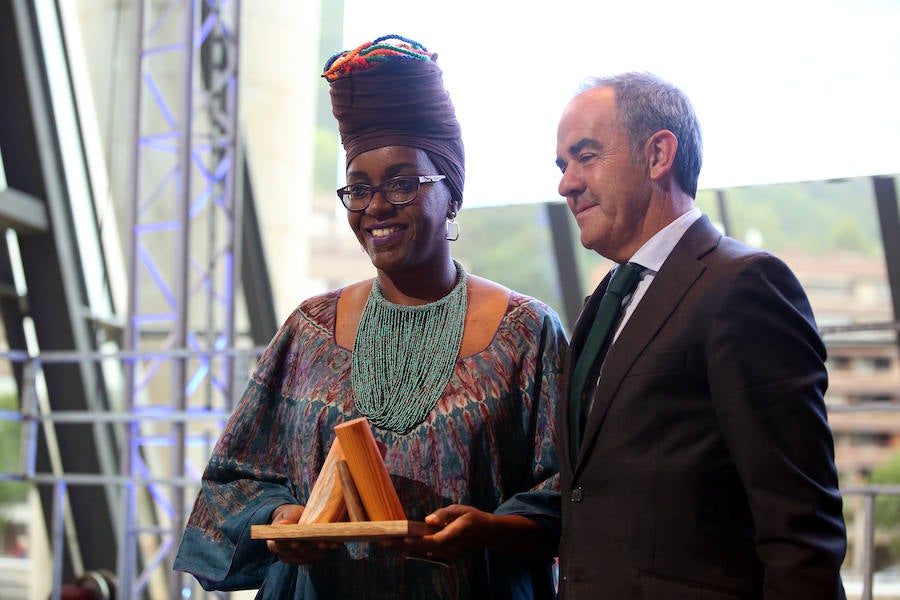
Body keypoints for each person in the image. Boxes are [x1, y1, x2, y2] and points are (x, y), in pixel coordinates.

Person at [174, 35, 566, 599]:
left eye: (402, 183)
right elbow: (230, 485)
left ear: (451, 196)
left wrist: (491, 529)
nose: (376, 206)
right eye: (357, 189)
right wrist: (285, 519)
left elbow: (570, 495)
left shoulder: (526, 332)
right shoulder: (308, 331)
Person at [553, 72, 847, 599]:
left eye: (585, 156)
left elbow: (800, 530)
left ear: (658, 155)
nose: (565, 184)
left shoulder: (744, 284)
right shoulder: (602, 304)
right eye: (562, 165)